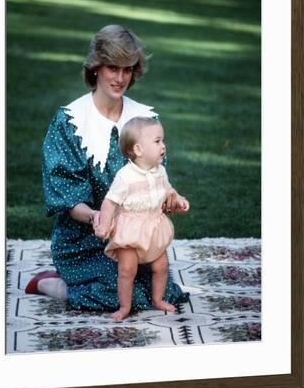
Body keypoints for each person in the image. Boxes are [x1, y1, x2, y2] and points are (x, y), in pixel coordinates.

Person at [25, 24, 190, 313]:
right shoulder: (70, 122)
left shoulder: (144, 120)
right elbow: (68, 196)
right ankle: (52, 284)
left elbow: (155, 179)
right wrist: (96, 217)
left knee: (164, 293)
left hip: (135, 238)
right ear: (96, 68)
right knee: (117, 295)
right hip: (85, 239)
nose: (120, 78)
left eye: (127, 69)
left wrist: (167, 199)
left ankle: (84, 285)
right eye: (112, 68)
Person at [94, 117, 189, 321]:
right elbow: (110, 202)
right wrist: (103, 224)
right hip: (130, 230)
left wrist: (178, 199)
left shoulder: (160, 171)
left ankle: (157, 299)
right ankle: (125, 307)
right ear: (138, 150)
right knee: (127, 269)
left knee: (161, 266)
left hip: (153, 227)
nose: (163, 146)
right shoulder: (125, 176)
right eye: (157, 141)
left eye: (163, 141)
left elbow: (168, 190)